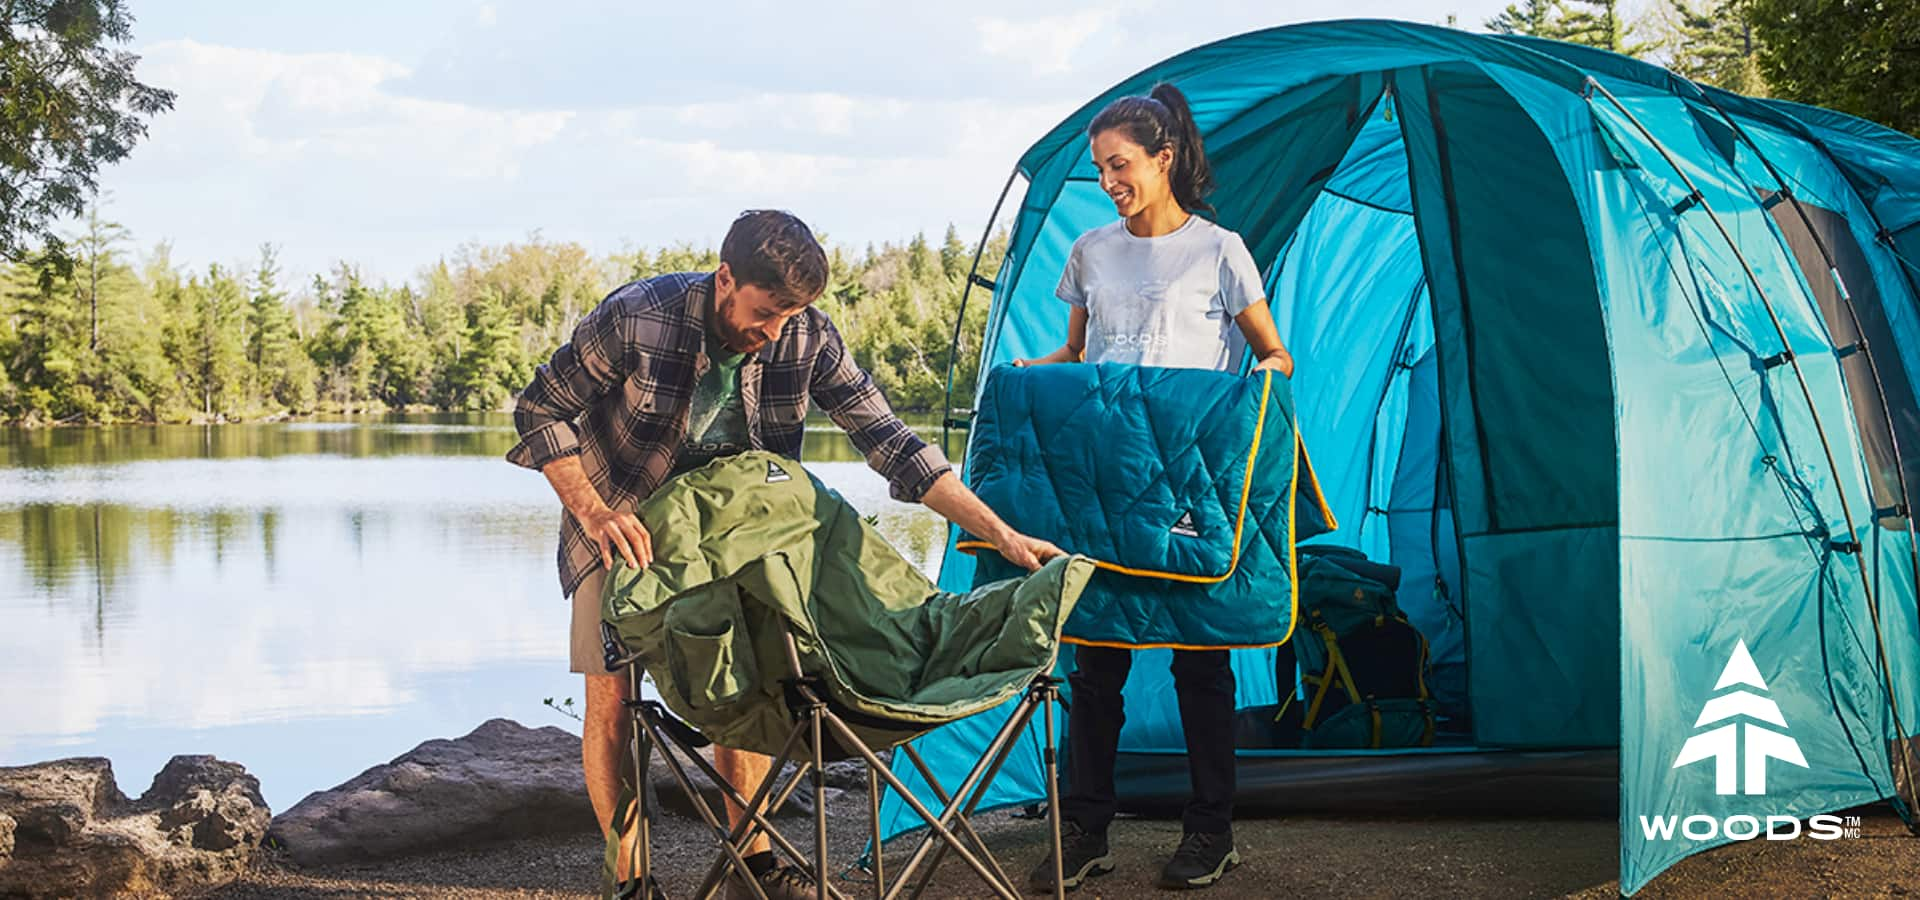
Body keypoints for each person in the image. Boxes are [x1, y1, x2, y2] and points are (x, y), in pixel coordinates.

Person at [507, 210, 1062, 900]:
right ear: (725, 279)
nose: (774, 331)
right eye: (764, 312)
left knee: (747, 687)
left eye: (790, 314)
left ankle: (755, 866)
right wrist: (592, 510)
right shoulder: (641, 315)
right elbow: (538, 409)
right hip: (623, 523)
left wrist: (1002, 532)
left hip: (744, 537)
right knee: (612, 699)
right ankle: (631, 878)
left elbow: (890, 441)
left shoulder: (807, 333)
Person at [1014, 83, 1294, 893]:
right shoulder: (1092, 251)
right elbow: (1076, 354)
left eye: (1120, 164)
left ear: (1164, 158)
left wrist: (1246, 403)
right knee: (1094, 664)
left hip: (1185, 485)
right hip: (1103, 481)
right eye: (1101, 168)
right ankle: (1086, 830)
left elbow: (1270, 356)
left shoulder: (1220, 250)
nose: (1109, 180)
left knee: (1200, 664)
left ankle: (1211, 832)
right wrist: (1026, 377)